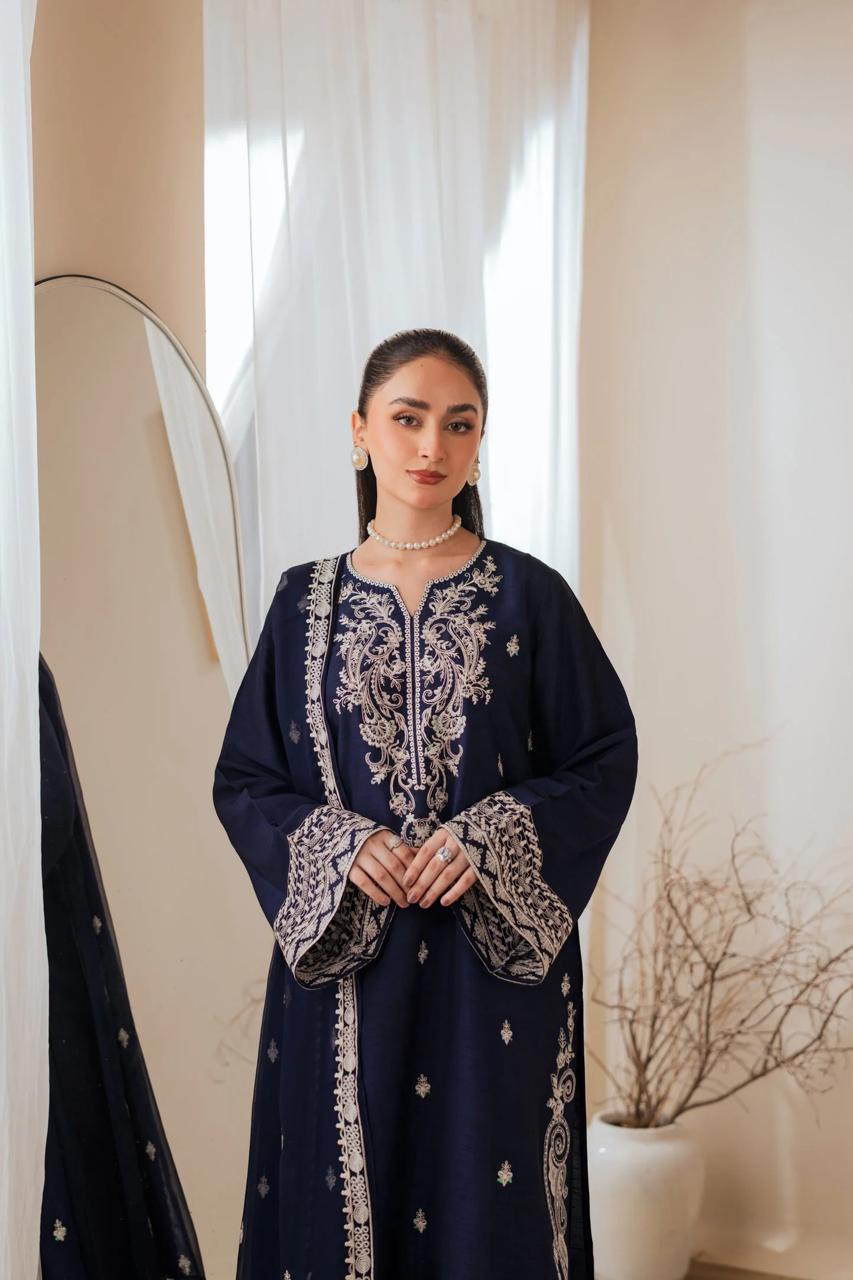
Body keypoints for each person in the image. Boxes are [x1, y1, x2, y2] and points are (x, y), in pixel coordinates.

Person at [212, 327, 638, 1280]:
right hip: (346, 966)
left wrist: (486, 840)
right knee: (338, 1196)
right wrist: (337, 846)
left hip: (491, 969)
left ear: (478, 443)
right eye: (407, 419)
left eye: (458, 424)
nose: (430, 446)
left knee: (487, 1199)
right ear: (359, 432)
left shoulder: (529, 596)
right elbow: (244, 778)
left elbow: (602, 758)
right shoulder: (302, 604)